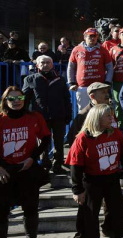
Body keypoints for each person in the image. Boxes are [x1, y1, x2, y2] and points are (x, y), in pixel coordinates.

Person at [65, 104, 123, 238]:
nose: (111, 118)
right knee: (89, 214)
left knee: (117, 211)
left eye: (111, 115)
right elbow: (75, 165)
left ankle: (117, 233)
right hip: (91, 180)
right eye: (107, 115)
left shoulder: (115, 133)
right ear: (97, 118)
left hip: (112, 179)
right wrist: (77, 190)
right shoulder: (83, 138)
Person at [0, 86, 51, 238]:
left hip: (27, 169)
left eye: (20, 98)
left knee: (30, 209)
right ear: (5, 101)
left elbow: (46, 138)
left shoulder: (35, 117)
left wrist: (32, 158)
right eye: (12, 98)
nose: (16, 101)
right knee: (2, 212)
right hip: (5, 171)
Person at [22, 55, 71, 174]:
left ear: (52, 64)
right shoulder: (30, 79)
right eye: (42, 62)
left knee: (59, 141)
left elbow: (66, 98)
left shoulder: (60, 79)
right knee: (43, 142)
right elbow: (25, 99)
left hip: (58, 115)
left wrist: (68, 114)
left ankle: (58, 164)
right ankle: (45, 164)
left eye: (48, 62)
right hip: (40, 117)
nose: (46, 65)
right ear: (37, 65)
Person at [67, 28, 113, 110]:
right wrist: (71, 82)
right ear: (84, 37)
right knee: (83, 111)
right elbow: (71, 67)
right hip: (83, 87)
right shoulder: (76, 49)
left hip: (99, 87)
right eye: (90, 36)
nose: (93, 38)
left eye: (94, 36)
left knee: (100, 111)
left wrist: (107, 81)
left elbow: (109, 67)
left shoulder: (103, 50)